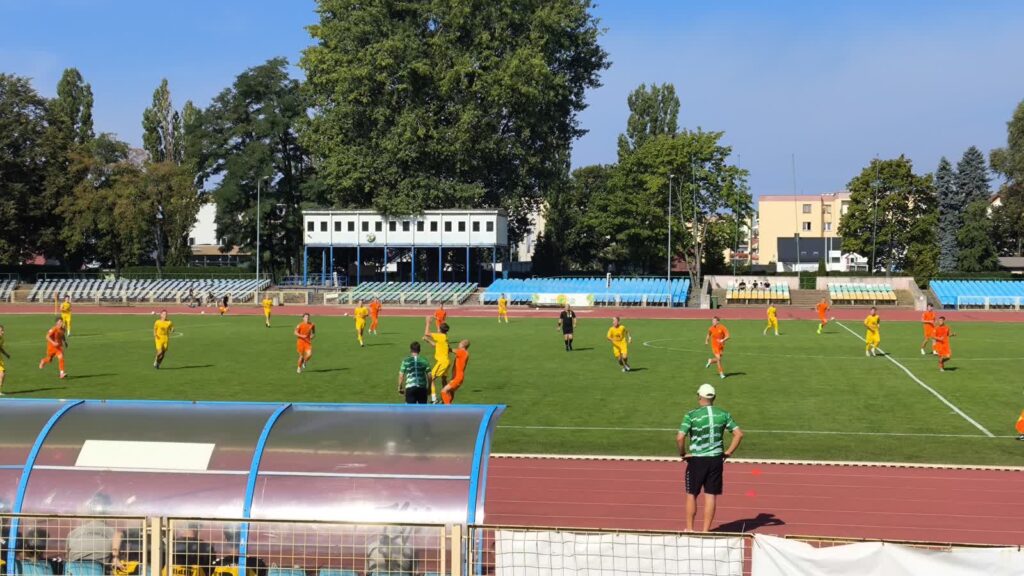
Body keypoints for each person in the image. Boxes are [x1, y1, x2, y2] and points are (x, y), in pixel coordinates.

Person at [677, 383, 744, 532]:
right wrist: (728, 452)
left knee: (691, 494)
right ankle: (706, 531)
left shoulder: (691, 415)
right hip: (715, 460)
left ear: (699, 397)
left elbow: (680, 438)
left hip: (697, 460)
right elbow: (739, 434)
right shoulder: (723, 414)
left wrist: (682, 454)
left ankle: (689, 529)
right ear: (714, 397)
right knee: (711, 495)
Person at [423, 316, 451, 404]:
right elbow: (436, 345)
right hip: (446, 361)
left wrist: (428, 322)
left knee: (431, 378)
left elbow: (427, 333)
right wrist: (427, 341)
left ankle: (434, 399)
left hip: (442, 362)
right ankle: (446, 397)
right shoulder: (443, 337)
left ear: (440, 330)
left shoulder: (441, 336)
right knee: (444, 379)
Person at [441, 340, 470, 404]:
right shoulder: (464, 352)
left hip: (458, 378)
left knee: (444, 391)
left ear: (463, 345)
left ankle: (448, 408)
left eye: (460, 343)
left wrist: (444, 343)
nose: (458, 344)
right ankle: (448, 404)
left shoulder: (462, 352)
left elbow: (450, 350)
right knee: (451, 392)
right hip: (457, 377)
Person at [0, 324, 9, 396]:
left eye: (3, 330)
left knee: (2, 374)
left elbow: (0, 348)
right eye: (1, 331)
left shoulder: (2, 339)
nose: (3, 332)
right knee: (2, 374)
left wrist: (6, 354)